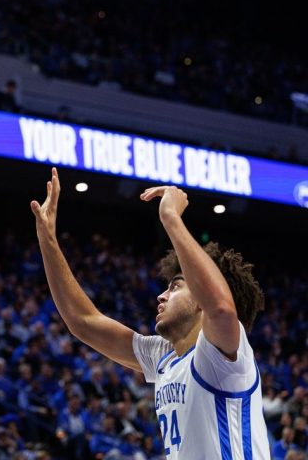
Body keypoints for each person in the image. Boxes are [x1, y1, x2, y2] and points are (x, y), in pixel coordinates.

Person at [30, 168, 270, 459]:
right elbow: (83, 323)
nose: (161, 295)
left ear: (200, 301)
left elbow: (220, 307)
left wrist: (170, 217)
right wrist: (48, 240)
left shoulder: (226, 355)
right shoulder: (164, 357)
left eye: (175, 286)